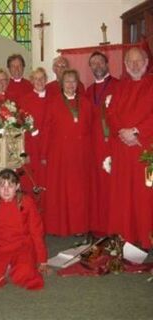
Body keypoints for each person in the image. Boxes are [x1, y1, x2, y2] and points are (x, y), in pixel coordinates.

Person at [0, 168, 48, 290]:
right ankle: (6, 268)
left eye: (10, 186)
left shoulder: (27, 202)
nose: (6, 190)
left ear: (17, 186)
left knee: (25, 273)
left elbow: (36, 231)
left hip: (22, 244)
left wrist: (42, 260)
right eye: (2, 186)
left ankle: (11, 267)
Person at [107, 47, 153, 249]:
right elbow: (111, 114)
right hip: (123, 151)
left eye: (138, 61)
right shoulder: (119, 87)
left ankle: (146, 238)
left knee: (145, 196)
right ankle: (126, 236)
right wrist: (123, 132)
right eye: (130, 62)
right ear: (125, 65)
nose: (135, 65)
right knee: (124, 196)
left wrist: (136, 132)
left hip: (146, 150)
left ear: (146, 62)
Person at [42, 69, 92, 236]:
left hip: (81, 154)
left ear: (78, 84)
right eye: (67, 82)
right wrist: (44, 154)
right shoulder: (53, 103)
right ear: (61, 84)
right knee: (61, 191)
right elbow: (47, 130)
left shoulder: (85, 103)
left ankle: (78, 227)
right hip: (60, 154)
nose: (70, 85)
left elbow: (91, 129)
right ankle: (59, 227)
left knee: (78, 192)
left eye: (73, 82)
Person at [86, 51, 119, 236]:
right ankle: (97, 224)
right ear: (90, 67)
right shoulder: (89, 91)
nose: (97, 66)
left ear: (107, 64)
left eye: (100, 62)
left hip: (111, 144)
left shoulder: (118, 86)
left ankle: (113, 224)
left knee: (111, 186)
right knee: (96, 185)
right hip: (93, 145)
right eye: (93, 63)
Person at [18, 67, 49, 209]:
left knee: (47, 182)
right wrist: (25, 152)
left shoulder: (53, 99)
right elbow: (22, 128)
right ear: (31, 81)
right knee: (31, 183)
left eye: (42, 78)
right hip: (31, 147)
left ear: (46, 80)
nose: (39, 81)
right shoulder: (25, 100)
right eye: (36, 79)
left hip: (48, 147)